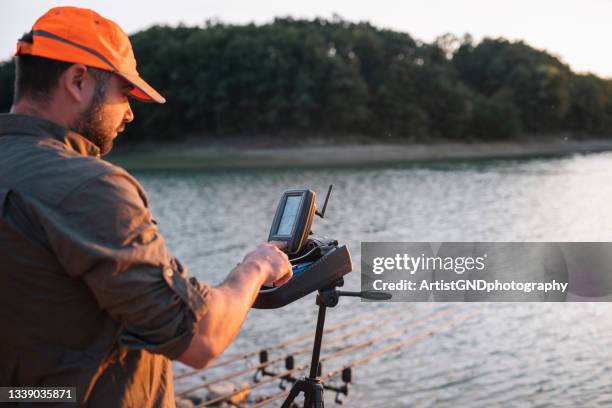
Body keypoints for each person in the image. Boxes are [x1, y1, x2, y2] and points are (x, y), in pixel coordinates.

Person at [0, 6, 292, 407]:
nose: (131, 113)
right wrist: (256, 266)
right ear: (79, 80)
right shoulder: (89, 185)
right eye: (124, 93)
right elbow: (201, 338)